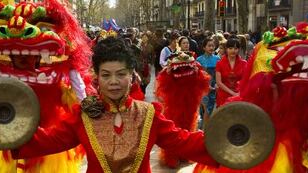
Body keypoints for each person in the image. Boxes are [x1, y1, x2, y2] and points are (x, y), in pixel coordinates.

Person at [12, 37, 219, 173]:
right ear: (97, 78)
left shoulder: (149, 114)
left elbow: (183, 141)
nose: (113, 82)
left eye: (121, 74)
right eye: (106, 75)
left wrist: (227, 141)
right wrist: (6, 128)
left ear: (131, 77)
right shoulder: (83, 115)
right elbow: (49, 140)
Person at [215, 38, 247, 107]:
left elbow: (246, 80)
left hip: (239, 94)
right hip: (224, 95)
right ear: (226, 49)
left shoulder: (244, 63)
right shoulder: (219, 63)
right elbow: (219, 82)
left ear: (238, 49)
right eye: (230, 48)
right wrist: (232, 93)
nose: (233, 51)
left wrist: (238, 93)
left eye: (235, 48)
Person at [197, 38, 220, 118]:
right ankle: (203, 126)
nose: (211, 48)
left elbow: (219, 73)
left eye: (213, 46)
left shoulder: (217, 58)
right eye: (209, 46)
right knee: (204, 107)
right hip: (203, 86)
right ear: (204, 47)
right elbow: (198, 75)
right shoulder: (199, 59)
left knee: (212, 104)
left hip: (215, 86)